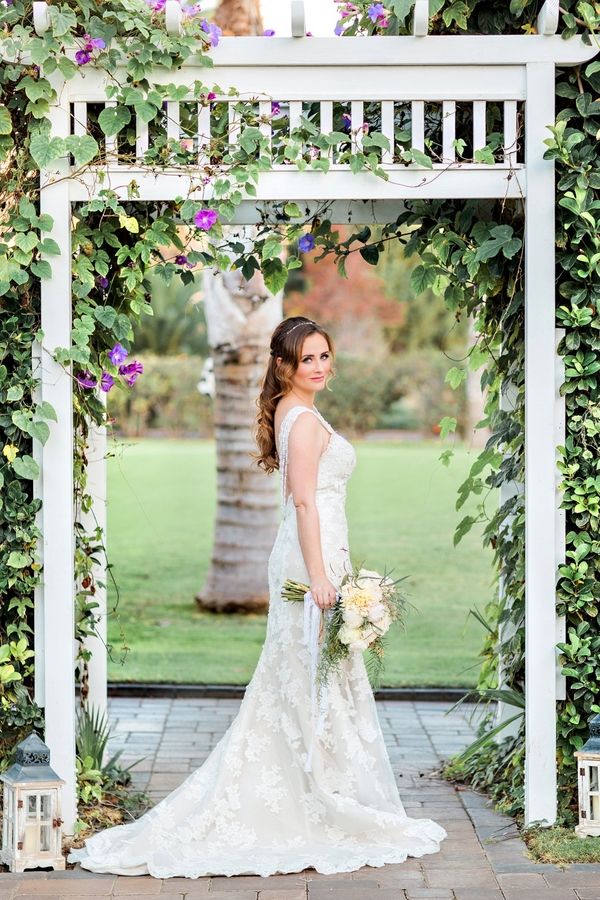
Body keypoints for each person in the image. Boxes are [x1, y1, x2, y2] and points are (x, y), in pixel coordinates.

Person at [67, 316, 446, 878]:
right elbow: (304, 504)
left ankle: (325, 782)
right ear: (285, 366)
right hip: (309, 561)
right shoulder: (304, 422)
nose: (319, 367)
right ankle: (316, 794)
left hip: (315, 554)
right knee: (305, 671)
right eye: (307, 359)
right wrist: (321, 577)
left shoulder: (296, 415)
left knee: (308, 674)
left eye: (324, 356)